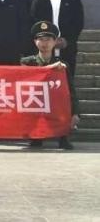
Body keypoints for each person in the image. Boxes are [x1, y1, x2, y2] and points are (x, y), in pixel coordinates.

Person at [21, 21, 80, 150]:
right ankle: (35, 136)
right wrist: (51, 67)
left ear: (55, 42)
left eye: (48, 40)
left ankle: (63, 137)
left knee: (62, 100)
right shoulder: (27, 63)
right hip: (35, 104)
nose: (45, 43)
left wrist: (76, 113)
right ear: (35, 42)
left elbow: (71, 91)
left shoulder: (62, 65)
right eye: (41, 39)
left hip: (55, 106)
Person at [31, 0, 85, 76]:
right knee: (46, 79)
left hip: (67, 46)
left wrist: (67, 40)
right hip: (45, 48)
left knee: (67, 79)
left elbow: (78, 22)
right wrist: (47, 40)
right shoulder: (39, 0)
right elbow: (34, 22)